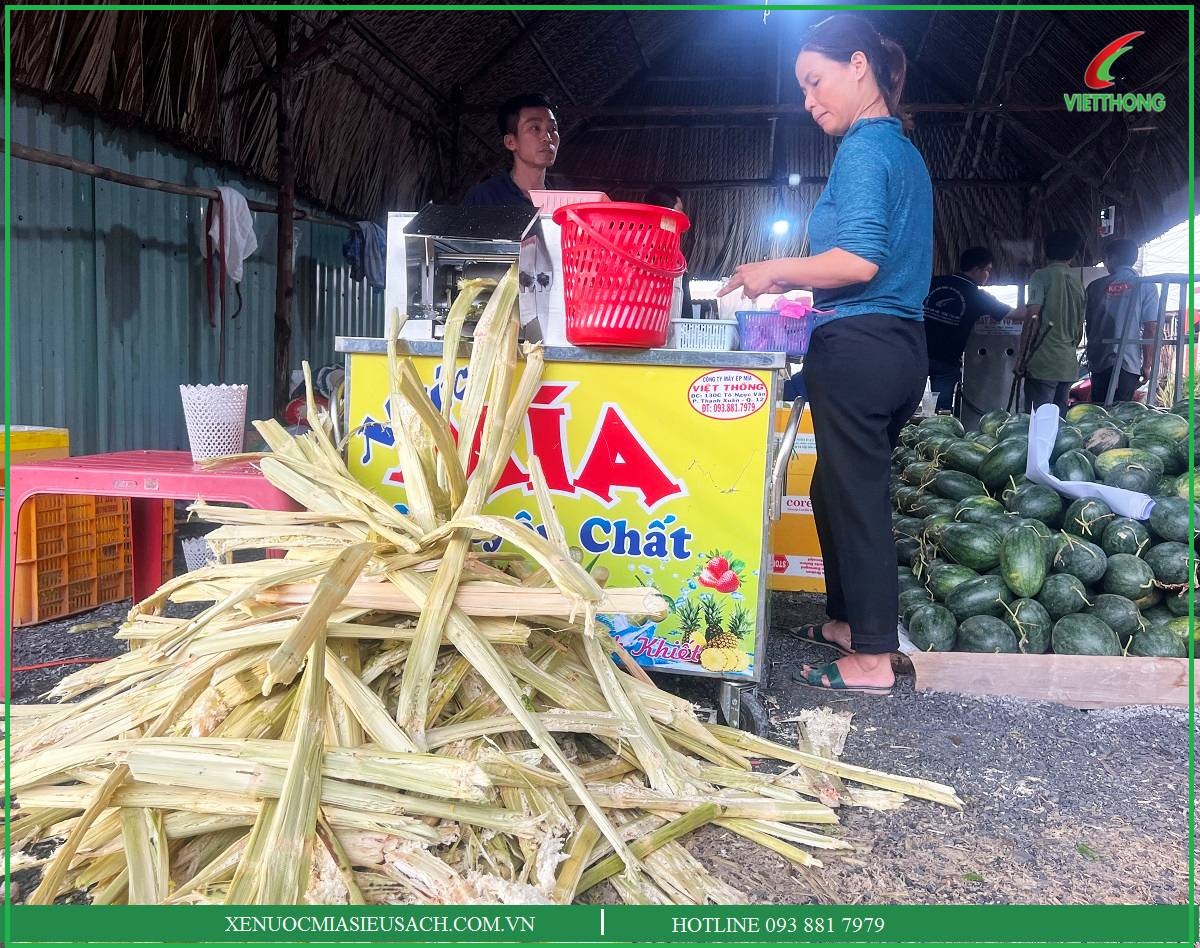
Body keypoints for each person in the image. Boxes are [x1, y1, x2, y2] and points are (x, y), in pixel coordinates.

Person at [718, 14, 932, 695]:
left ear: (860, 66)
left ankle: (872, 658)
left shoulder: (868, 149)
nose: (810, 100)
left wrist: (774, 270)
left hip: (864, 345)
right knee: (830, 486)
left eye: (817, 81)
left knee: (856, 495)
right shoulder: (900, 148)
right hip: (897, 350)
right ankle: (846, 622)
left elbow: (860, 260)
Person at [923, 247, 1016, 413]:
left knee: (908, 403)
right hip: (946, 361)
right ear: (976, 269)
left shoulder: (933, 282)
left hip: (918, 354)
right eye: (987, 270)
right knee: (941, 413)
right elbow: (1016, 314)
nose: (988, 275)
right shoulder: (978, 296)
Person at [1015, 229, 1086, 412]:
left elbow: (1033, 318)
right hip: (1068, 363)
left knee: (1037, 420)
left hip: (1043, 362)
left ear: (1045, 251)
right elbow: (1079, 329)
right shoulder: (1078, 283)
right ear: (1073, 253)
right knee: (1057, 421)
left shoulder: (1040, 276)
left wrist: (1021, 358)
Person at [1085, 237, 1159, 404]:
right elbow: (1151, 327)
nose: (1105, 263)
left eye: (1106, 259)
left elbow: (1088, 324)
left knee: (1099, 412)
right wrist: (1147, 365)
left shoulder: (1095, 287)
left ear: (1113, 258)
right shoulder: (1146, 285)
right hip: (1129, 363)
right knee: (1122, 415)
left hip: (1099, 360)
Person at [463, 93, 559, 208]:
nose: (548, 138)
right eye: (535, 128)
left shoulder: (561, 203)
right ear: (510, 142)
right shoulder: (484, 198)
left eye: (553, 129)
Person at [643, 185, 692, 319]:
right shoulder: (644, 247)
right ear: (665, 212)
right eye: (680, 210)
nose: (683, 215)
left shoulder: (675, 253)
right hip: (653, 327)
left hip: (674, 331)